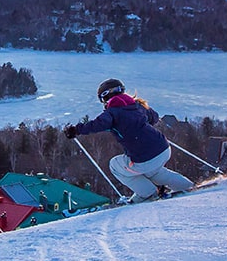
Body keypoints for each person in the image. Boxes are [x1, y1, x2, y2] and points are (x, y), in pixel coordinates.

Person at [64, 78, 193, 203]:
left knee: (115, 165)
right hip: (163, 148)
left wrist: (75, 130)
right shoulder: (137, 105)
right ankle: (186, 186)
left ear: (105, 97)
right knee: (154, 172)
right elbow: (154, 117)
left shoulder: (112, 112)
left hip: (144, 157)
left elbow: (97, 124)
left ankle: (148, 193)